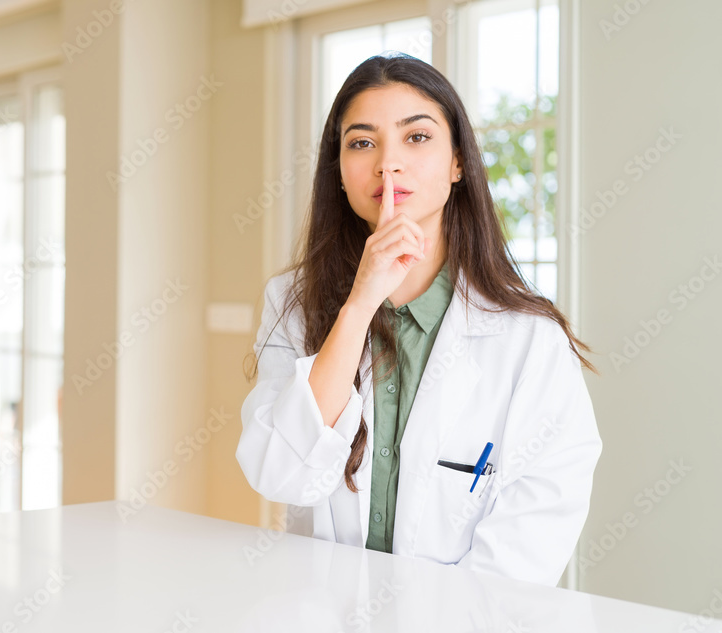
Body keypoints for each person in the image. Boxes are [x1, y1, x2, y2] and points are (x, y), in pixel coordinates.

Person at [235, 52, 602, 587]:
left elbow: (533, 534)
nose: (388, 163)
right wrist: (358, 306)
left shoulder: (530, 340)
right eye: (362, 142)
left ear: (458, 163)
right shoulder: (291, 302)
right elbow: (280, 472)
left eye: (417, 137)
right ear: (338, 172)